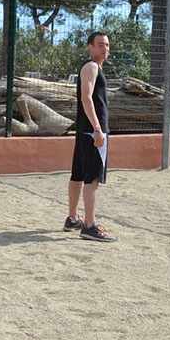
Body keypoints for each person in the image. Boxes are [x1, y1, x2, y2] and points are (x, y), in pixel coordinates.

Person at [64, 31, 115, 242]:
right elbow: (86, 98)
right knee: (92, 178)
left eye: (107, 45)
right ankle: (89, 225)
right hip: (92, 131)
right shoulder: (91, 67)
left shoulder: (95, 68)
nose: (105, 48)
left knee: (78, 175)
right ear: (90, 48)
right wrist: (97, 128)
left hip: (86, 131)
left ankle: (73, 218)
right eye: (100, 45)